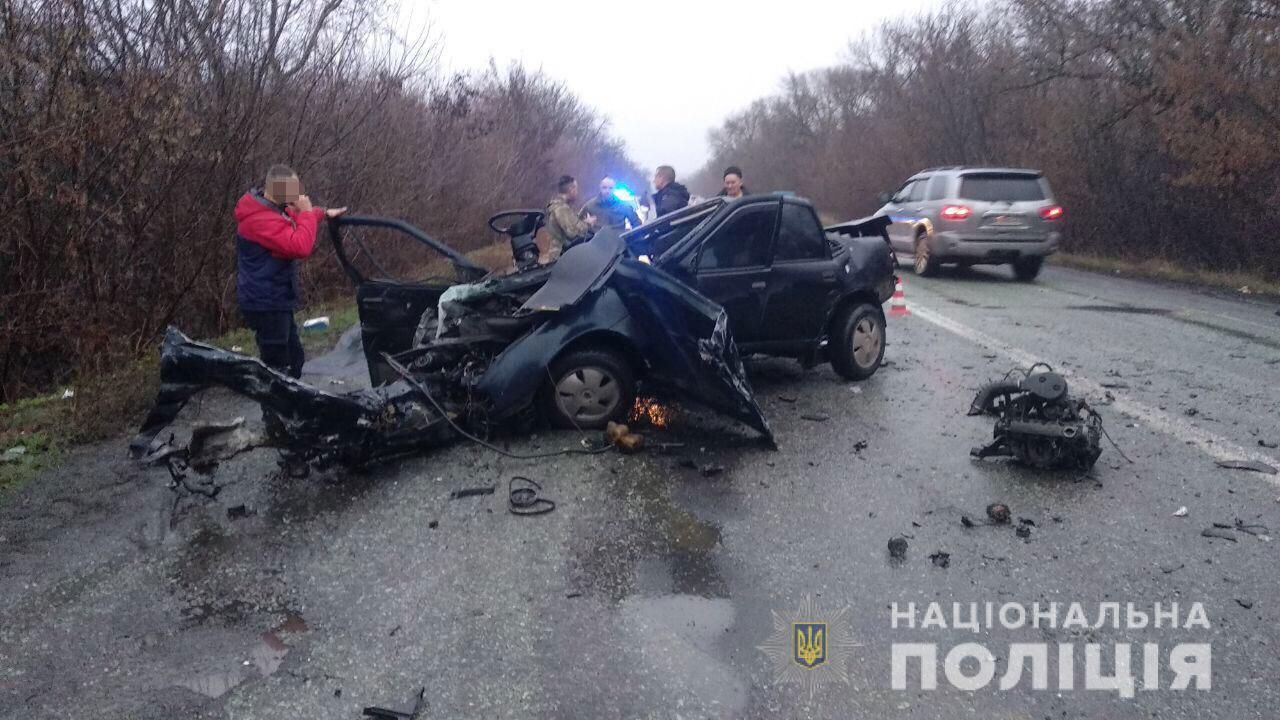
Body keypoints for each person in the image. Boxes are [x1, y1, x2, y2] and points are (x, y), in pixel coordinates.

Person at [235, 164, 346, 379]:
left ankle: (292, 406)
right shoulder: (259, 220)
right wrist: (305, 212)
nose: (298, 193)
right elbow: (300, 246)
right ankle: (275, 411)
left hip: (275, 300)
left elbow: (292, 218)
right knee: (277, 368)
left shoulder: (270, 209)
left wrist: (321, 213)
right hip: (266, 303)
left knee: (294, 358)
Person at [545, 175, 595, 261]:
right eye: (576, 189)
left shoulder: (555, 205)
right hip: (555, 257)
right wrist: (587, 223)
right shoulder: (561, 208)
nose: (577, 192)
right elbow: (572, 232)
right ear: (571, 189)